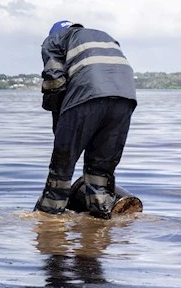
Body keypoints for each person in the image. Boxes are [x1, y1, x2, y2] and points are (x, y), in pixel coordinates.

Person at [34, 20, 137, 219]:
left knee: (61, 169)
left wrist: (59, 126)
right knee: (100, 170)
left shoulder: (54, 39)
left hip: (87, 95)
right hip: (125, 98)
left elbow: (54, 82)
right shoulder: (103, 35)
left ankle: (49, 219)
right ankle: (100, 220)